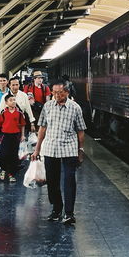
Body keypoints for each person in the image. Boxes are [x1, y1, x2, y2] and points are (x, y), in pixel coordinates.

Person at [33, 81, 86, 226]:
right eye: (54, 93)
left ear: (67, 93)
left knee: (69, 180)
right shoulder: (48, 106)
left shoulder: (75, 108)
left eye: (59, 93)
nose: (56, 95)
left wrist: (81, 150)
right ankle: (57, 209)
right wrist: (37, 149)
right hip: (50, 148)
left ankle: (69, 213)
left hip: (69, 148)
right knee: (52, 181)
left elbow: (80, 131)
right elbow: (42, 129)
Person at [0, 78, 30, 184]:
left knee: (13, 155)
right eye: (11, 100)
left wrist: (22, 135)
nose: (13, 102)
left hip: (15, 136)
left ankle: (12, 174)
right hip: (5, 135)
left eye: (14, 100)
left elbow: (22, 125)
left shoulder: (19, 113)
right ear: (6, 102)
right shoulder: (4, 113)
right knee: (3, 154)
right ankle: (3, 169)